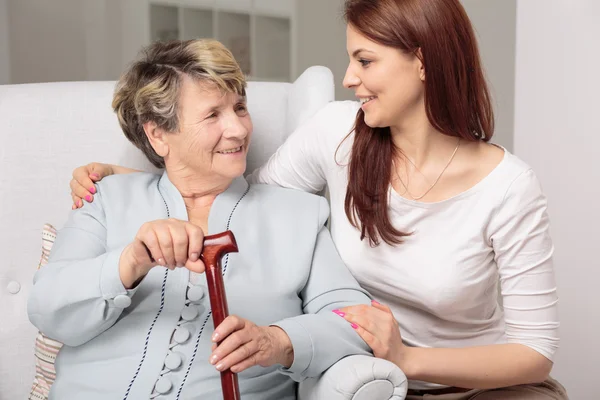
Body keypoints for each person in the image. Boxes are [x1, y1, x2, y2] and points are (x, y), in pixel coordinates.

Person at [68, 0, 569, 398]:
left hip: (481, 385)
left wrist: (409, 359)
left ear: (422, 61)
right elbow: (249, 196)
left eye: (365, 60)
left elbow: (534, 350)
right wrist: (139, 181)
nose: (349, 77)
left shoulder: (508, 186)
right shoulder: (338, 134)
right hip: (367, 379)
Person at [27, 39, 374, 400]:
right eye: (213, 115)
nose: (238, 130)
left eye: (240, 108)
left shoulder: (299, 215)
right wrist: (130, 262)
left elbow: (359, 323)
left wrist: (280, 341)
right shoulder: (107, 198)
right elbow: (47, 308)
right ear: (158, 134)